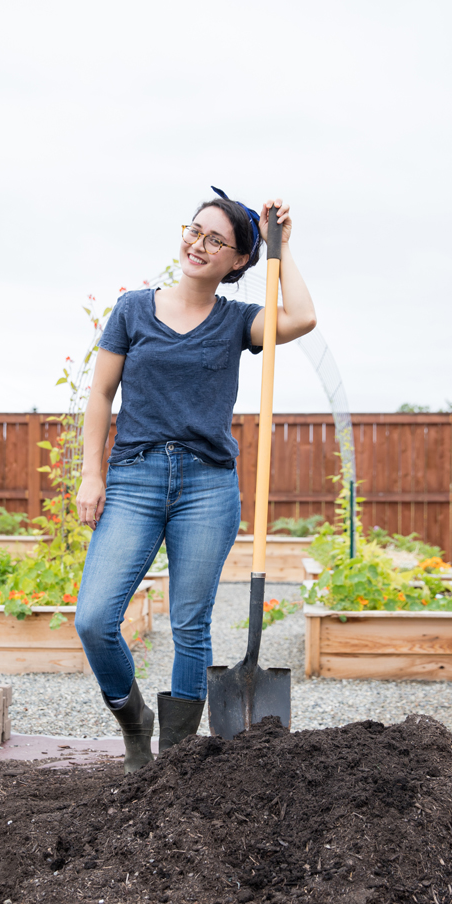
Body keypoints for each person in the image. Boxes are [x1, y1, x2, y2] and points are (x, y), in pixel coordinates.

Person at [75, 188, 317, 772]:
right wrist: (91, 472)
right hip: (134, 477)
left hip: (207, 486)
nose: (198, 243)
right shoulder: (133, 309)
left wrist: (284, 245)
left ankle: (174, 761)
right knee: (94, 618)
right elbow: (102, 393)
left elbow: (302, 318)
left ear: (238, 261)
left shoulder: (237, 321)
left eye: (216, 239)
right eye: (194, 230)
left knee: (190, 622)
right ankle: (136, 721)